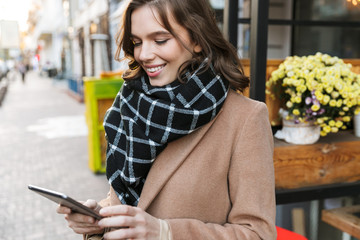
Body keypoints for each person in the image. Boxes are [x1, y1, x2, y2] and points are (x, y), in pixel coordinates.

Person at [57, 0, 276, 239]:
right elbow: (135, 198)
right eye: (137, 42)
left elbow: (258, 233)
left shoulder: (245, 119)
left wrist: (166, 232)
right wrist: (101, 218)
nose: (144, 54)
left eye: (160, 40)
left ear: (197, 39)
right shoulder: (129, 106)